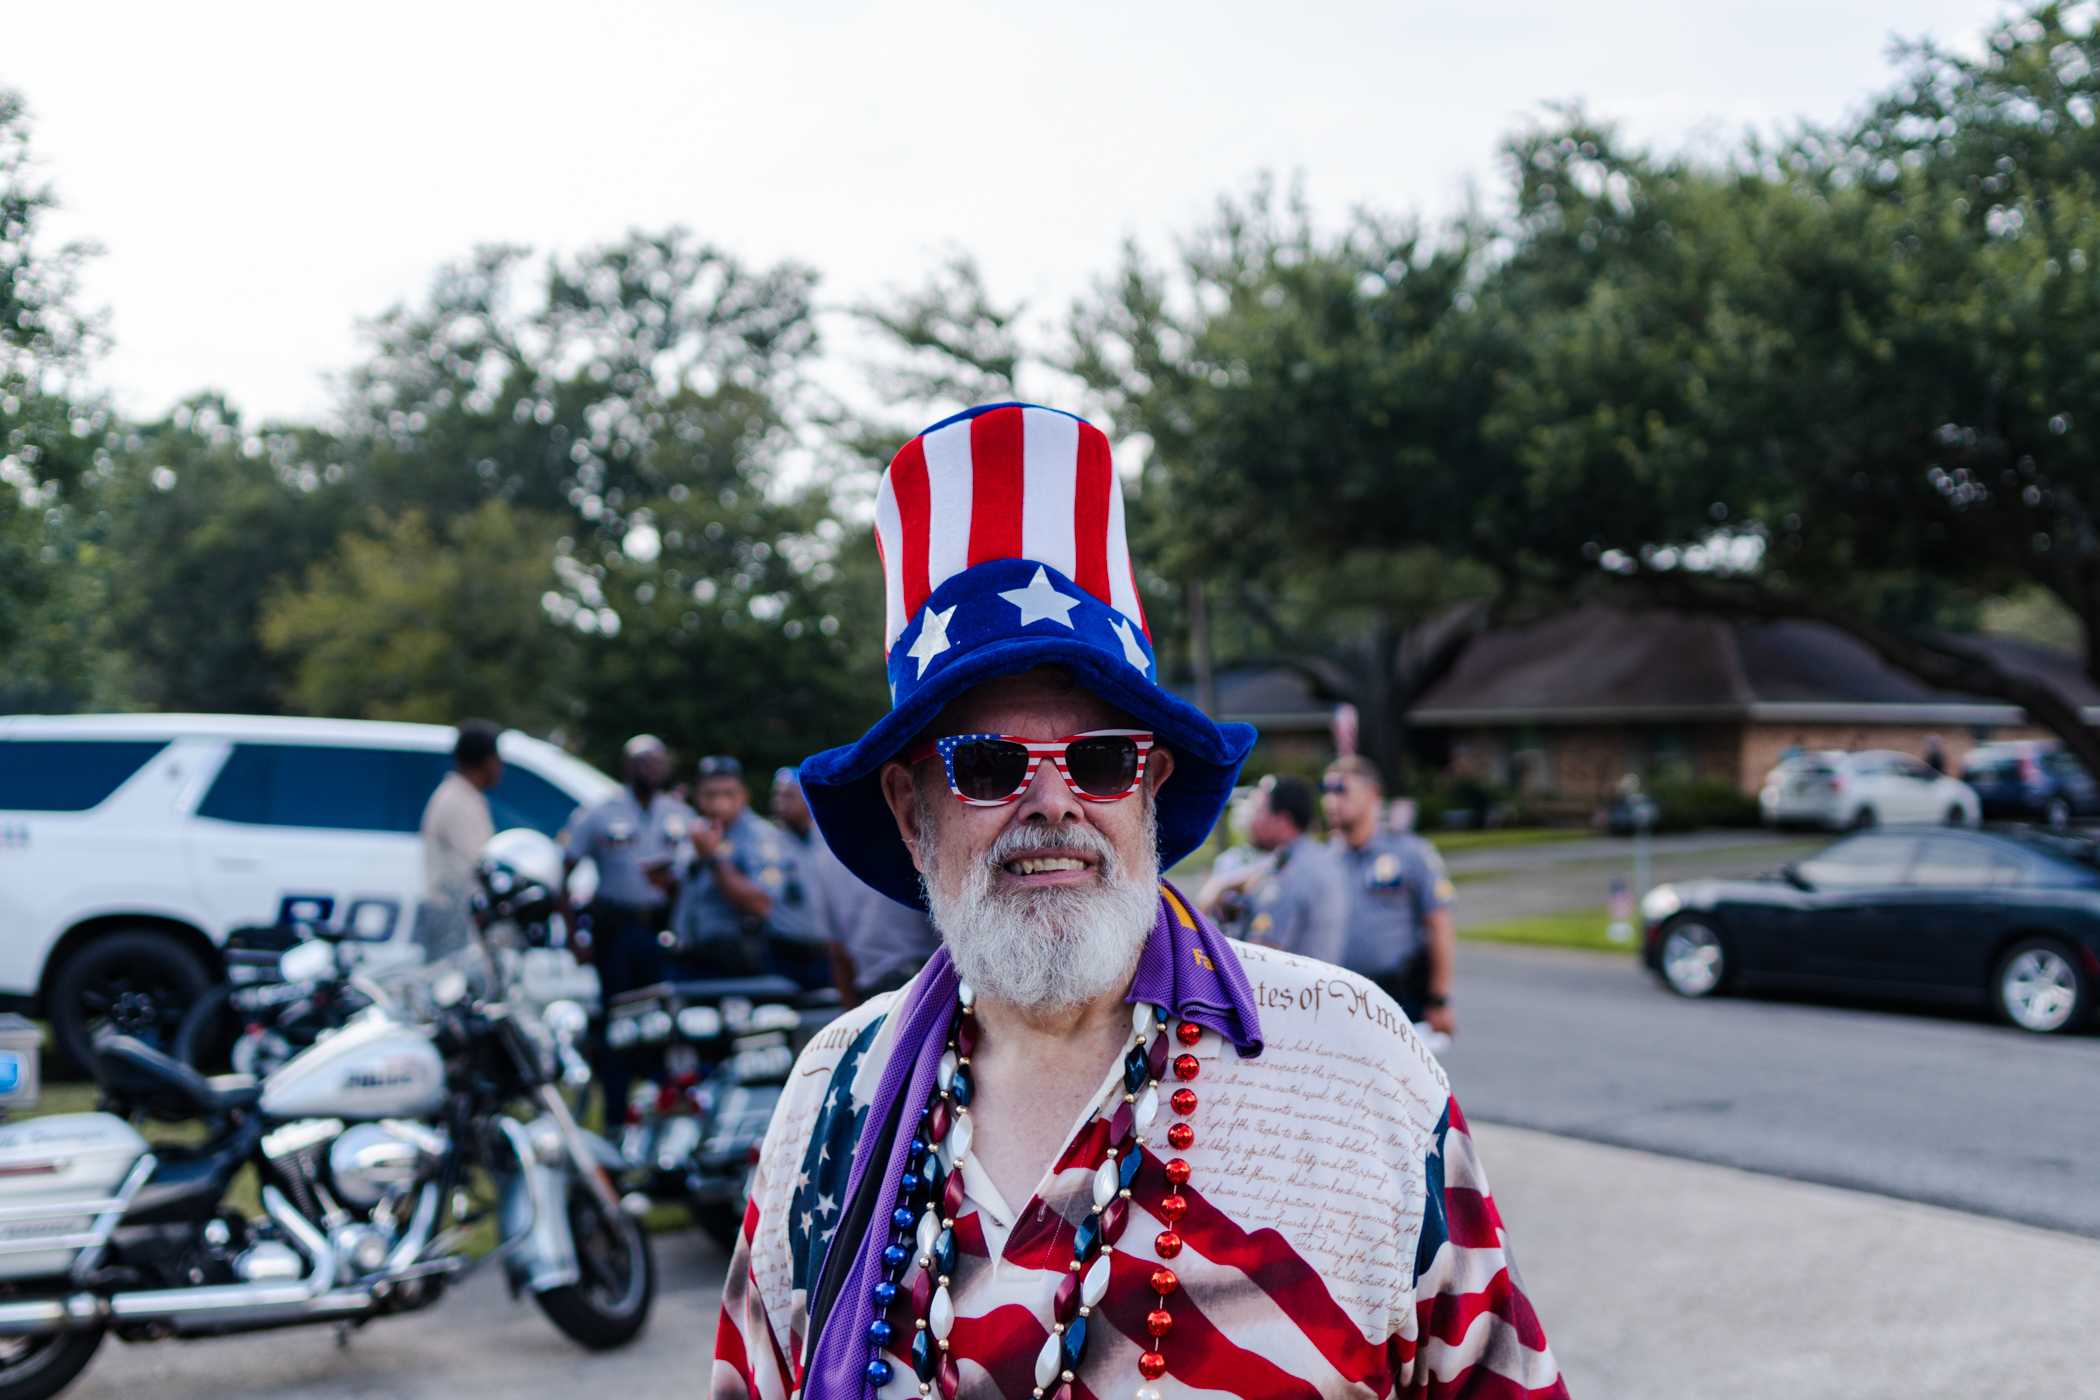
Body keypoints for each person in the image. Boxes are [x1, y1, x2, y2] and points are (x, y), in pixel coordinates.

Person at [713, 403, 1563, 1399]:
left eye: (1102, 758)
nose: (1053, 802)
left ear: (1150, 785)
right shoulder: (831, 1092)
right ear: (912, 809)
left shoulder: (1360, 1061)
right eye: (987, 763)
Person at [564, 734, 693, 1119]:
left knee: (660, 1023)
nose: (650, 769)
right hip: (615, 928)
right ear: (626, 767)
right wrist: (574, 935)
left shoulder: (678, 813)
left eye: (656, 762)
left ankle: (661, 1110)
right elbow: (564, 869)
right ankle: (616, 1113)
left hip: (659, 929)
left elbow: (692, 873)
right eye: (642, 762)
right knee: (618, 1021)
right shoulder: (600, 812)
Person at [1322, 755, 1459, 1036]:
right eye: (1326, 791)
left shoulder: (1409, 852)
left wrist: (1439, 998)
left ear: (1372, 795)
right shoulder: (1324, 859)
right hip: (1336, 1001)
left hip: (1399, 999)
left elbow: (1439, 925)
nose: (1331, 801)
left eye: (1342, 790)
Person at [780, 765, 941, 1003]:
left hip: (879, 992)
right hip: (932, 985)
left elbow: (836, 951)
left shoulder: (827, 856)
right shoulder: (915, 841)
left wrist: (852, 1016)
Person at [672, 755, 821, 986]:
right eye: (711, 794)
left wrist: (713, 858)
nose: (719, 802)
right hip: (689, 956)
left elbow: (761, 904)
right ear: (698, 796)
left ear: (743, 795)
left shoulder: (761, 836)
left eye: (728, 793)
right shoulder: (694, 831)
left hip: (737, 959)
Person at [1199, 774, 1347, 962]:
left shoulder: (1288, 874)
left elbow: (1259, 956)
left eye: (1260, 811)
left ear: (1283, 821)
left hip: (1289, 987)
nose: (1252, 819)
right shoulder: (1316, 857)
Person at [415, 720, 503, 960]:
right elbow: (480, 863)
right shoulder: (459, 801)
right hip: (454, 920)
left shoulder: (461, 795)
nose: (500, 767)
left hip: (455, 917)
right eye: (497, 759)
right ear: (486, 761)